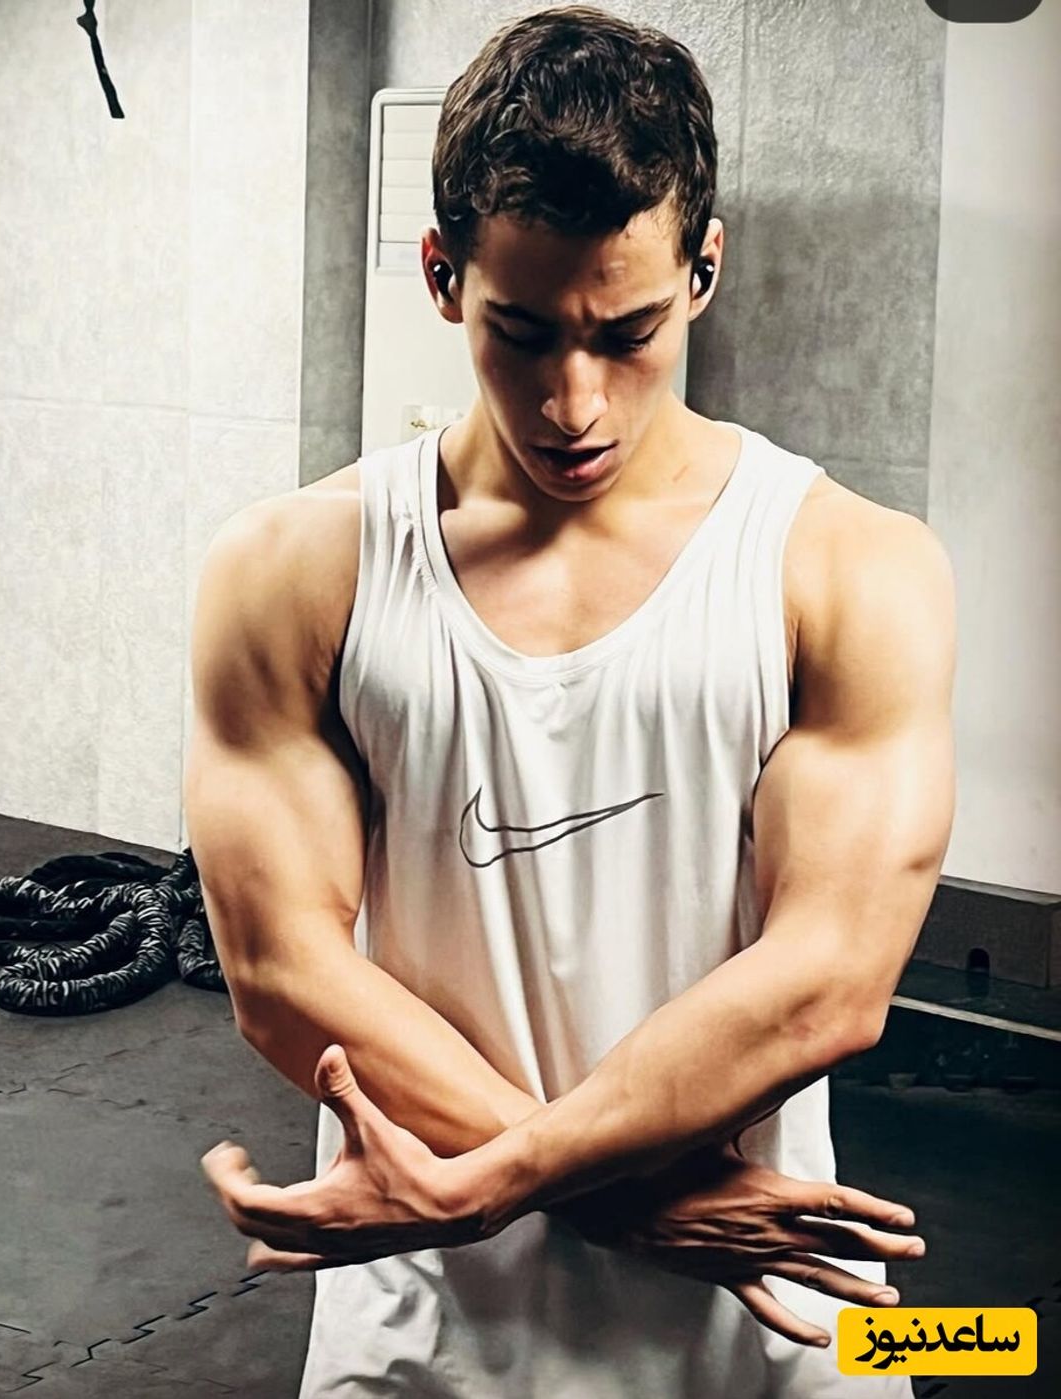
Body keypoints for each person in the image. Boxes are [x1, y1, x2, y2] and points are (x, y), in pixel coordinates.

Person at [187, 5, 956, 1395]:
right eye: (524, 333)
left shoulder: (853, 567)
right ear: (442, 276)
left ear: (704, 269)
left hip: (767, 1329)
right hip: (430, 1336)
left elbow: (829, 984)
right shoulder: (293, 568)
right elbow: (282, 971)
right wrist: (631, 1203)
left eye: (629, 331)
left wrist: (501, 1180)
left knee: (991, 1359)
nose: (575, 403)